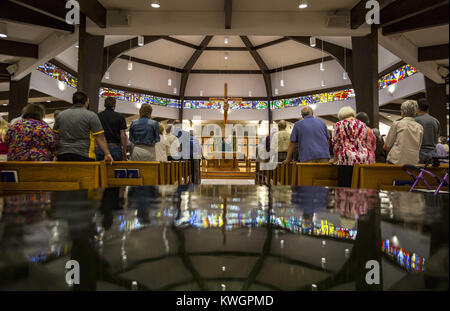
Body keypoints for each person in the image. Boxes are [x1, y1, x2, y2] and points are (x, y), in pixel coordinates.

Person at [54, 91, 113, 163]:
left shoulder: (60, 115)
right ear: (86, 102)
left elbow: (55, 136)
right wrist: (107, 153)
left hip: (63, 154)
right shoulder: (91, 115)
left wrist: (55, 151)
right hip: (84, 155)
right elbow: (99, 137)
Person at [332, 106, 374, 187]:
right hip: (362, 158)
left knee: (345, 185)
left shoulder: (339, 124)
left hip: (347, 158)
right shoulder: (363, 124)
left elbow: (336, 144)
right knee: (359, 185)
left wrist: (335, 158)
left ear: (341, 115)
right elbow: (366, 142)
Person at [385, 100, 423, 166]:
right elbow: (419, 146)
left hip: (396, 160)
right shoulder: (420, 127)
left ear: (403, 111)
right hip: (413, 161)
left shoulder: (397, 124)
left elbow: (388, 144)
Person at [96, 97, 128, 161]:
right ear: (114, 105)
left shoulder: (98, 116)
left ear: (104, 104)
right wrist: (124, 150)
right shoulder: (120, 117)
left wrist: (96, 146)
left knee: (100, 170)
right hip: (115, 147)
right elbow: (123, 135)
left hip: (101, 147)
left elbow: (95, 133)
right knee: (116, 170)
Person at [415, 98, 441, 164]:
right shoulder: (435, 121)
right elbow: (437, 136)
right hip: (433, 153)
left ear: (417, 108)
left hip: (419, 153)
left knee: (418, 174)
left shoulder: (415, 120)